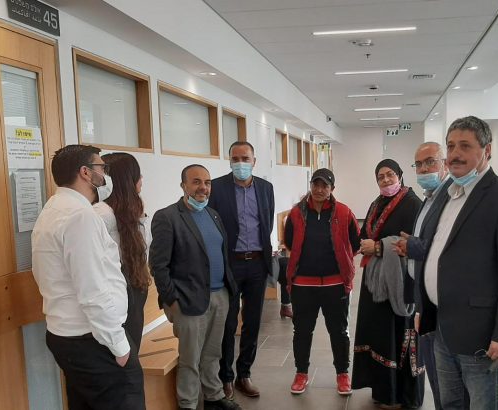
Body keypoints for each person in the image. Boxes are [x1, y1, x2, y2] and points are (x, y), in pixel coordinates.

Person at [418, 116, 498, 409]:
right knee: (449, 403)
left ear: (487, 150)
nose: (455, 154)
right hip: (442, 327)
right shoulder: (448, 194)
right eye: (450, 146)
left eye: (465, 146)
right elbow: (436, 254)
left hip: (481, 336)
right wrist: (424, 306)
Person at [31, 144, 144, 410]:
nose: (105, 175)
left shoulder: (54, 208)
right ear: (85, 172)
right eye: (102, 168)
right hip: (93, 340)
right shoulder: (80, 216)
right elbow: (93, 289)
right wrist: (119, 346)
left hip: (69, 335)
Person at [149, 164, 241, 410]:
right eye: (196, 182)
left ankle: (213, 396)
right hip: (188, 301)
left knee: (213, 353)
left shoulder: (213, 215)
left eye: (207, 182)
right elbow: (158, 265)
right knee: (190, 358)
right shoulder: (167, 217)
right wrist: (171, 300)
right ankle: (188, 403)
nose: (203, 187)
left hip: (219, 296)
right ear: (183, 185)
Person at [351, 159, 424, 409]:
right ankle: (383, 391)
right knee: (379, 335)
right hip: (376, 280)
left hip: (399, 283)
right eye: (380, 177)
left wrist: (379, 247)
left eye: (390, 175)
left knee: (396, 336)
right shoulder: (377, 203)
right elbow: (367, 234)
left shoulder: (412, 204)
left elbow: (415, 244)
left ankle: (399, 396)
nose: (385, 180)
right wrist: (365, 244)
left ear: (400, 175)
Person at [283, 168, 361, 395]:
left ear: (332, 189)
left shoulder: (344, 212)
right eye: (315, 184)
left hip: (335, 284)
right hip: (302, 285)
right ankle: (301, 373)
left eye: (324, 185)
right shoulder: (296, 213)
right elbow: (289, 242)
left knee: (339, 331)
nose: (319, 189)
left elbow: (355, 243)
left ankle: (343, 374)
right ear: (310, 186)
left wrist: (342, 264)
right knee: (302, 331)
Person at [208, 141, 275, 399]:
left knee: (253, 321)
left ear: (254, 161)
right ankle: (226, 376)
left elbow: (266, 224)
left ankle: (244, 373)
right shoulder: (217, 187)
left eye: (245, 158)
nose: (240, 163)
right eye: (235, 159)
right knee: (228, 322)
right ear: (229, 161)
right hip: (230, 263)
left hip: (257, 262)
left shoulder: (266, 188)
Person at [393, 142, 452, 410]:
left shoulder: (450, 198)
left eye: (430, 162)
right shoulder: (429, 197)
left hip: (441, 301)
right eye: (418, 164)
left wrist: (412, 246)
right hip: (423, 299)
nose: (424, 169)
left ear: (444, 164)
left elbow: (448, 247)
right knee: (437, 375)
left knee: (446, 379)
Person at [93, 152, 150, 350]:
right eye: (137, 174)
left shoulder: (133, 209)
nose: (141, 179)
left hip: (135, 287)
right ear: (127, 179)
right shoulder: (101, 213)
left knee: (132, 348)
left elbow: (143, 248)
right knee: (123, 355)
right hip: (117, 292)